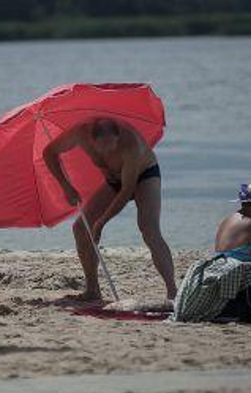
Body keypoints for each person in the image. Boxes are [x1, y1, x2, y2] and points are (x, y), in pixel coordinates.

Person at [43, 117, 176, 301]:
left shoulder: (131, 144)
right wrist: (66, 186)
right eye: (102, 146)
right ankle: (92, 289)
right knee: (80, 228)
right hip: (113, 180)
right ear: (91, 138)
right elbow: (49, 152)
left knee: (149, 229)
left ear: (118, 136)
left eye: (112, 145)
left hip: (144, 176)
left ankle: (173, 292)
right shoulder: (79, 133)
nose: (108, 151)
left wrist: (101, 223)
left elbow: (127, 190)